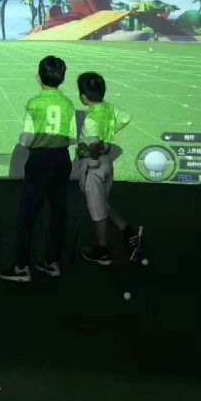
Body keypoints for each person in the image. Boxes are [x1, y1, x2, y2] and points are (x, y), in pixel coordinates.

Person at [0, 56, 76, 283]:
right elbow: (72, 138)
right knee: (58, 212)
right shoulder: (68, 104)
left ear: (39, 78)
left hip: (40, 161)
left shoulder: (34, 103)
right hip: (61, 160)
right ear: (63, 79)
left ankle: (22, 266)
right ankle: (52, 262)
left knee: (27, 215)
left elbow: (25, 140)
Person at [75, 71, 143, 265]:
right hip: (107, 163)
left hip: (94, 166)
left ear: (83, 98)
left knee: (97, 211)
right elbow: (126, 117)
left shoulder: (91, 120)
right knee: (102, 204)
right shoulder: (108, 108)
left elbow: (93, 144)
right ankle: (129, 232)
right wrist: (111, 130)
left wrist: (92, 160)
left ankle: (103, 251)